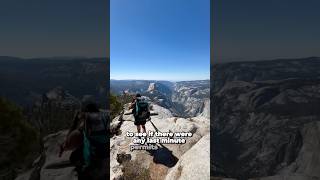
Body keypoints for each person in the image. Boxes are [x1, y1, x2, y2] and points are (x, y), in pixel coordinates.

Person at [59, 101, 108, 180]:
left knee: (73, 157)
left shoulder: (84, 125)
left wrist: (75, 121)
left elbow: (69, 143)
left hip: (93, 164)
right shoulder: (104, 118)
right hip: (106, 157)